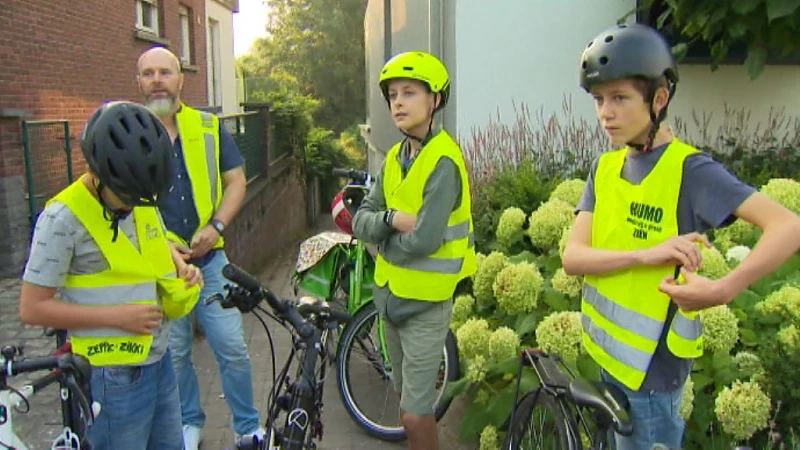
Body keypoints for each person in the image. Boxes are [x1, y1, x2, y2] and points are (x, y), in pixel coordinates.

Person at [563, 23, 800, 449]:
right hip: (606, 361)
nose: (605, 113)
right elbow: (572, 258)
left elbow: (789, 226)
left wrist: (724, 289)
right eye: (599, 99)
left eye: (620, 98)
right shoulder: (604, 168)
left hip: (654, 382)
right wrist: (645, 253)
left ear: (659, 99)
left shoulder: (691, 170)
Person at [19, 101, 203, 450]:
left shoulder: (136, 192)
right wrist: (118, 317)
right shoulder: (61, 220)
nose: (134, 205)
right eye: (126, 198)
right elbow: (31, 308)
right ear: (97, 172)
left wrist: (180, 266)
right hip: (110, 376)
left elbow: (151, 239)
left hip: (158, 360)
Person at [135, 47, 262, 448]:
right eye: (148, 73)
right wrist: (161, 250)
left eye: (165, 72)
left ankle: (246, 428)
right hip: (159, 268)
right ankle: (189, 423)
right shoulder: (130, 131)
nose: (157, 79)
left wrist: (216, 225)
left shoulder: (207, 126)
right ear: (138, 82)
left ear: (180, 79)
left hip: (209, 261)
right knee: (173, 357)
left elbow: (237, 180)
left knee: (233, 348)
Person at [351, 51, 477, 450]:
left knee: (415, 412)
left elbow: (425, 239)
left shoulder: (443, 162)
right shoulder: (394, 158)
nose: (398, 102)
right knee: (408, 406)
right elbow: (361, 220)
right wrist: (390, 219)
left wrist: (382, 240)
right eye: (392, 95)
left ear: (435, 100)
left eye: (409, 92)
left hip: (425, 304)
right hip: (391, 300)